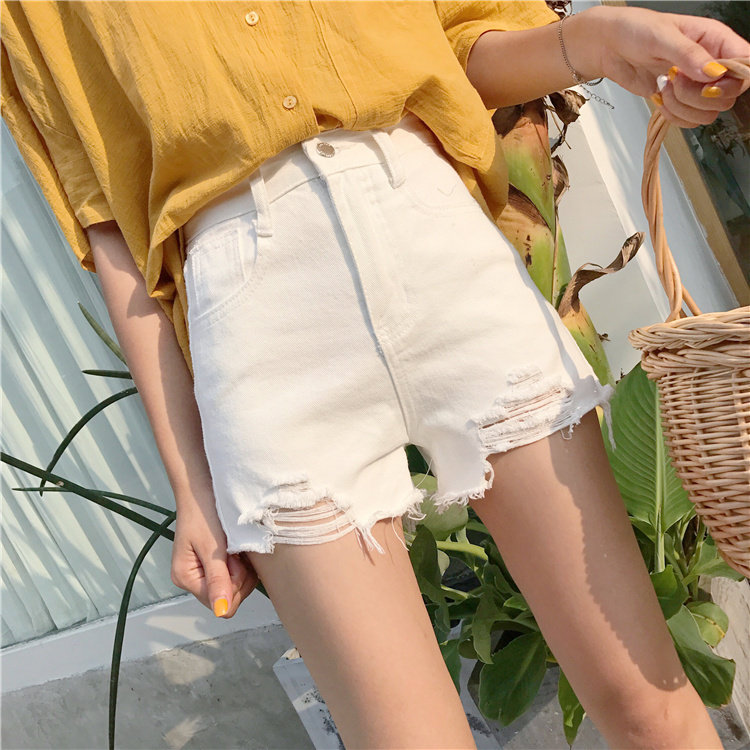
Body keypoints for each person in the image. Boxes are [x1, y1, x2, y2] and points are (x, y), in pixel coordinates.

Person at [2, 2, 748, 747]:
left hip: (434, 237)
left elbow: (464, 44)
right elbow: (109, 223)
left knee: (648, 705)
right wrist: (192, 486)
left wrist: (601, 41)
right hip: (255, 321)